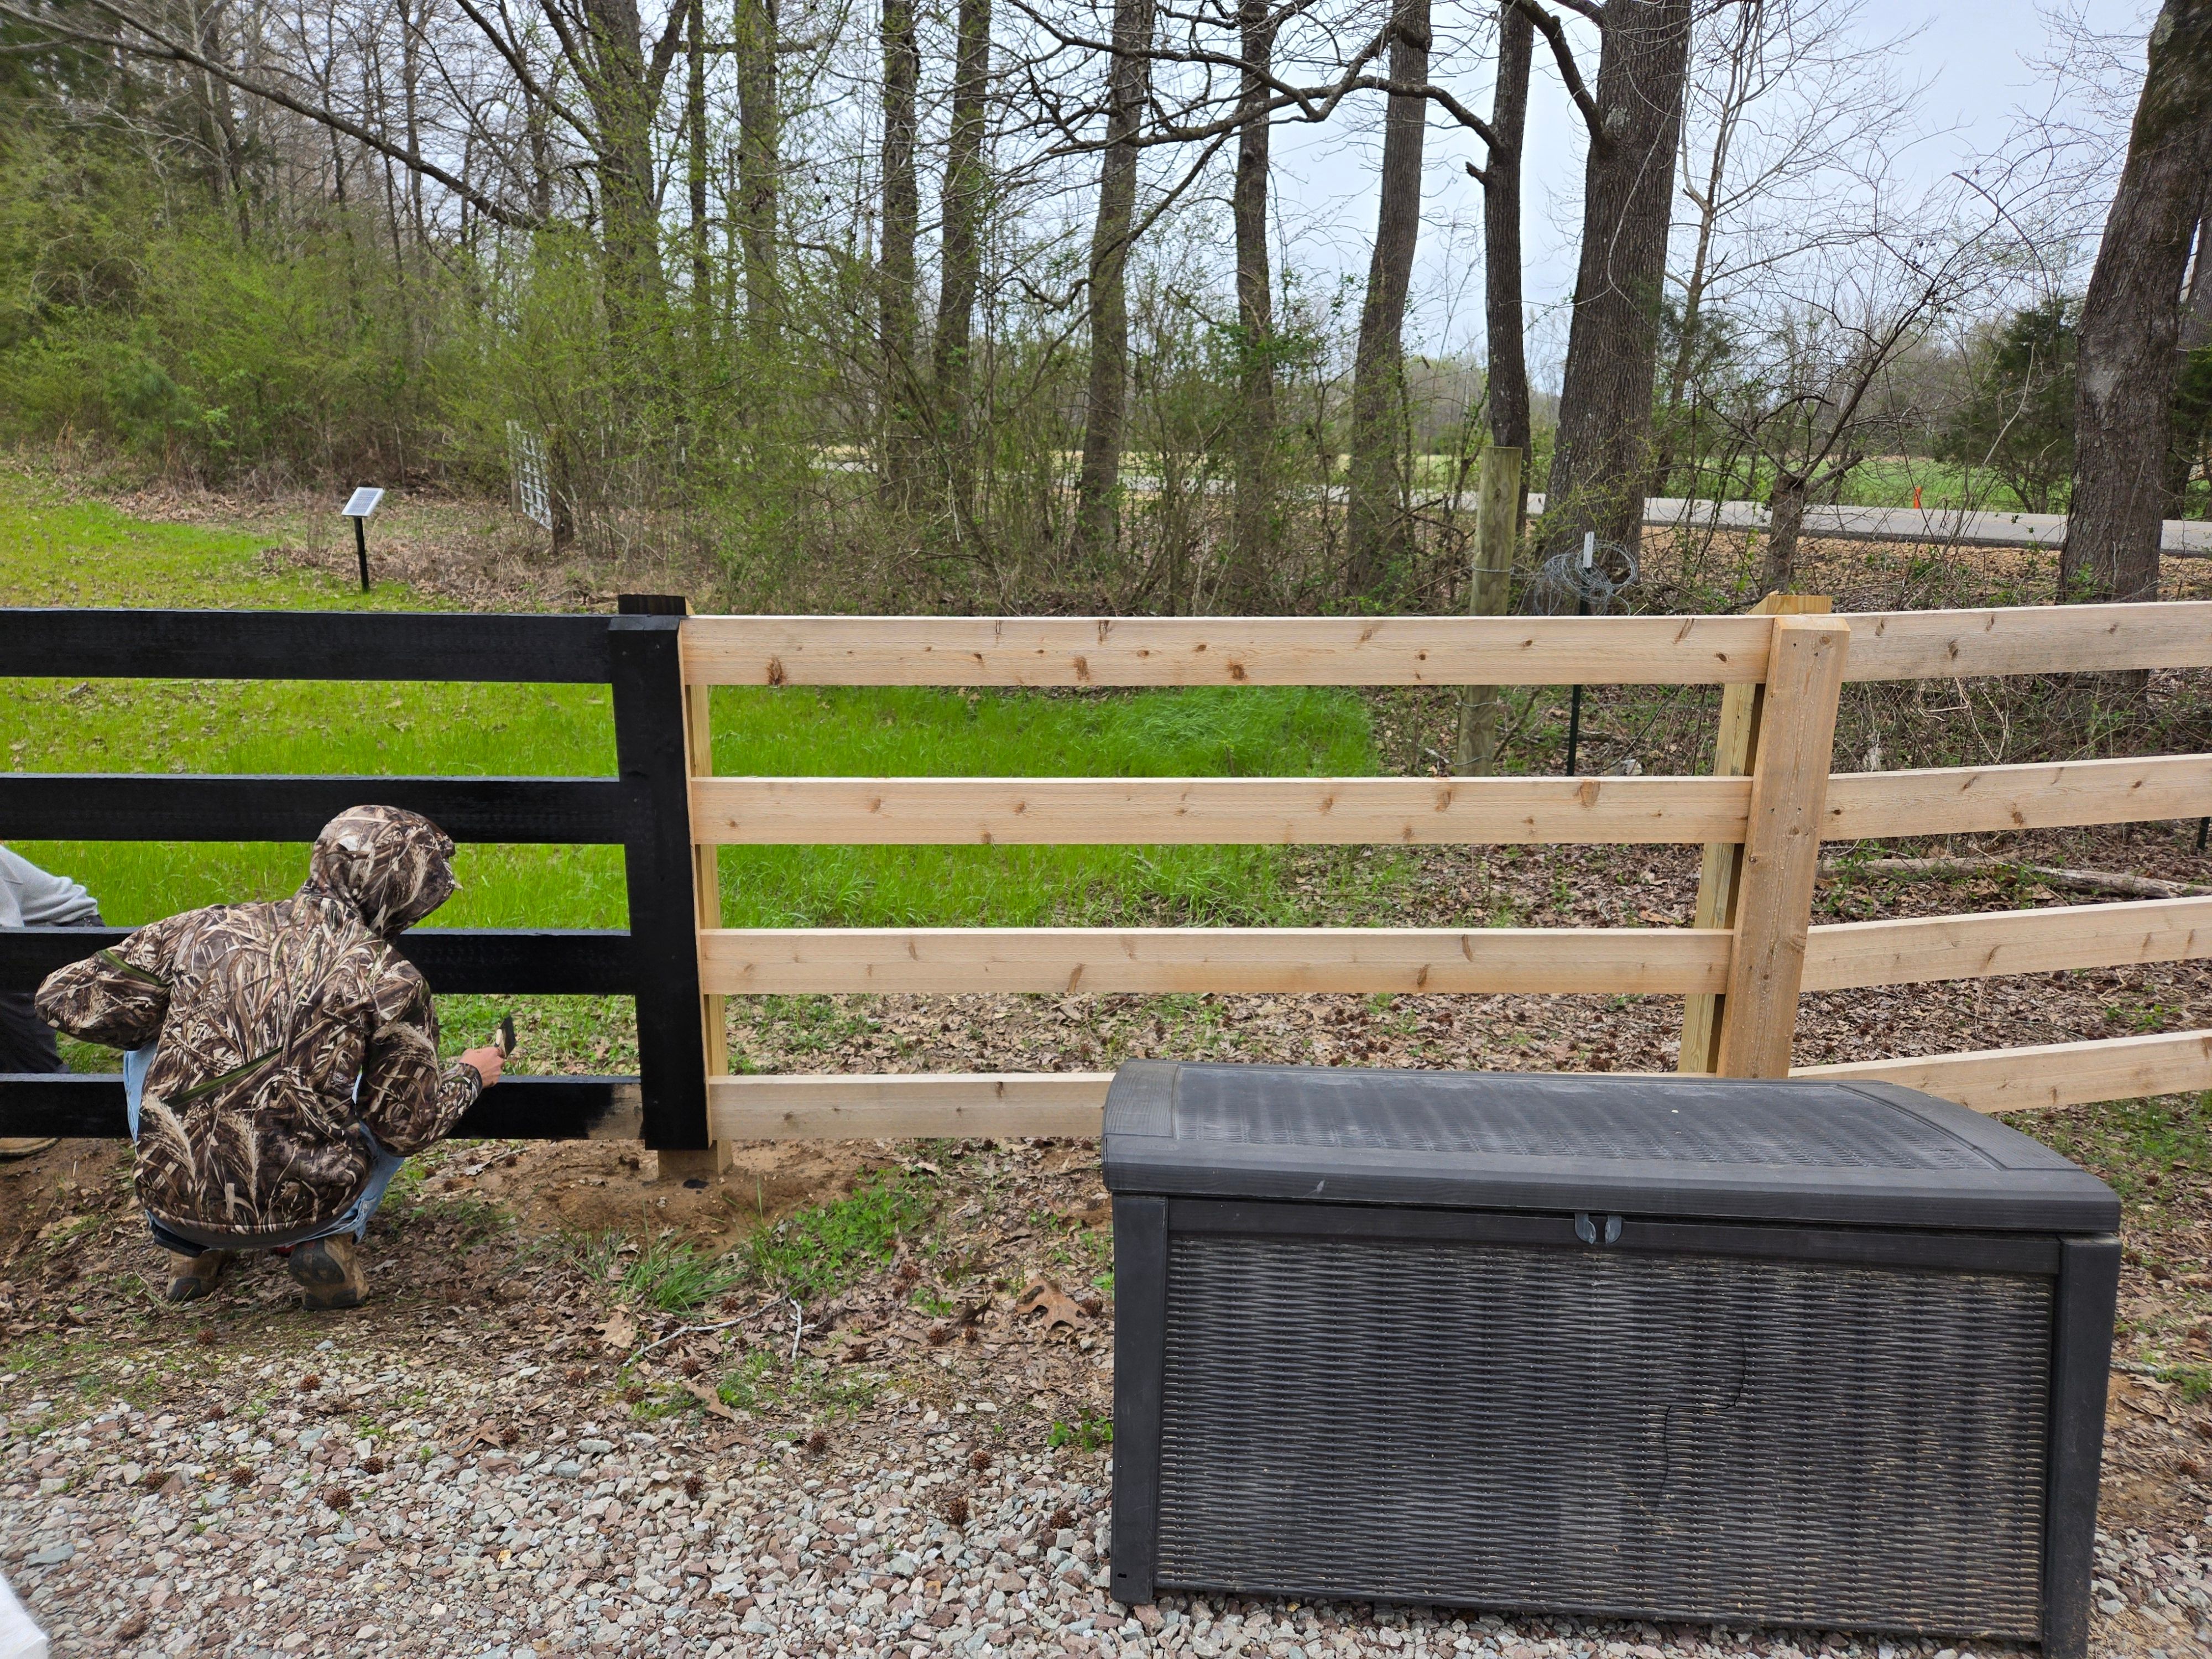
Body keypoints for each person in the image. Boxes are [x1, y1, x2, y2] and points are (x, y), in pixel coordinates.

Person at [34, 806, 506, 1308]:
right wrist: (470, 1076)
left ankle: (193, 1247)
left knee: (143, 1035)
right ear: (407, 894)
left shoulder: (203, 929)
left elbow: (63, 997)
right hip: (314, 1210)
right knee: (394, 1081)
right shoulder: (391, 978)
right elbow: (405, 1127)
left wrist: (186, 1023)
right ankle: (330, 1241)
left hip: (169, 1202)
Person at [0, 844, 104, 1159]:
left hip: (73, 932)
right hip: (27, 936)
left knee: (4, 979)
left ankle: (44, 1099)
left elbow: (10, 944)